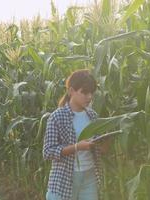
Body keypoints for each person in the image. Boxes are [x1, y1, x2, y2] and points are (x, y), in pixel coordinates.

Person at [43, 69, 105, 200]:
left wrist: (104, 142)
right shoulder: (57, 117)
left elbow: (99, 149)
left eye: (91, 93)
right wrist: (77, 147)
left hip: (90, 176)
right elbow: (48, 152)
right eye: (84, 92)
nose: (89, 97)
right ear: (71, 91)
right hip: (65, 178)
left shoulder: (93, 116)